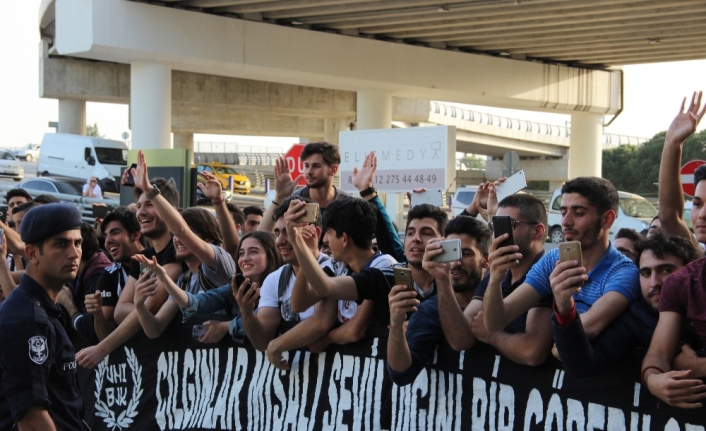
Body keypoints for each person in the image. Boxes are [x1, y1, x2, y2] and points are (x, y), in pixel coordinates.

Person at [484, 177, 640, 341]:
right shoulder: (553, 260)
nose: (566, 222)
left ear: (607, 219)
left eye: (578, 213)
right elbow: (496, 322)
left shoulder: (624, 272)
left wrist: (563, 304)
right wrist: (495, 278)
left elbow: (585, 330)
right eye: (563, 212)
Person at [76, 166, 184, 369]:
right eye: (139, 205)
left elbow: (149, 307)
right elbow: (120, 312)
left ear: (171, 211)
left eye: (150, 204)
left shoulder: (179, 253)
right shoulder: (143, 258)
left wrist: (102, 349)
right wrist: (140, 308)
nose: (141, 212)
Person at [553, 233, 701, 380]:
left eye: (666, 270)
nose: (654, 282)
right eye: (646, 273)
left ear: (691, 272)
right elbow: (583, 366)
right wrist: (564, 307)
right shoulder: (636, 317)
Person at [433, 194, 553, 367]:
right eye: (494, 226)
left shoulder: (546, 273)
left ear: (537, 231)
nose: (498, 234)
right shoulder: (497, 273)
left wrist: (492, 335)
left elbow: (532, 352)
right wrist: (442, 280)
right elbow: (461, 338)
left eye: (508, 225)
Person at [287, 201, 447, 329]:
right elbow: (323, 289)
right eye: (410, 233)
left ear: (444, 240)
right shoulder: (384, 275)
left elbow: (463, 337)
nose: (416, 239)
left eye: (426, 233)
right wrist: (299, 243)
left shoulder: (456, 280)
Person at [0, 204, 88, 430]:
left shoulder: (44, 308)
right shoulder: (27, 318)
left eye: (77, 243)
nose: (74, 253)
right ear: (31, 253)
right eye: (61, 244)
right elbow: (31, 419)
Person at [387, 216, 490, 385]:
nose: (455, 263)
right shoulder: (429, 310)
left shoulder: (505, 296)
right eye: (450, 253)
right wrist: (396, 325)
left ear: (485, 259)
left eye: (466, 253)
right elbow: (402, 374)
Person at [242, 196, 337, 370]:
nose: (279, 241)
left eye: (289, 232)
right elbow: (262, 341)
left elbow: (321, 323)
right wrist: (247, 313)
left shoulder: (334, 269)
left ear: (315, 233)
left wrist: (276, 346)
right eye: (278, 233)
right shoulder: (274, 279)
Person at [137, 231, 281, 344]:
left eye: (254, 251)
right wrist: (164, 278)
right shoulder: (234, 287)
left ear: (271, 255)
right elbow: (195, 303)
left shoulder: (282, 287)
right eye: (241, 253)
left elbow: (262, 324)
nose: (245, 258)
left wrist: (225, 326)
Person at [291, 198, 397, 352]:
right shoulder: (338, 264)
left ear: (345, 239)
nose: (326, 239)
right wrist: (307, 252)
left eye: (329, 233)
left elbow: (354, 331)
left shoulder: (384, 265)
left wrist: (327, 339)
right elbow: (299, 304)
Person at [259, 142, 352, 232]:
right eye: (306, 166)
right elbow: (262, 235)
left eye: (316, 166)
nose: (309, 171)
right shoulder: (294, 201)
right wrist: (280, 197)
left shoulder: (348, 204)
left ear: (333, 170)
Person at [84, 207, 146, 341]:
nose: (107, 241)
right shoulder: (109, 275)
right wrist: (98, 313)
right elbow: (105, 336)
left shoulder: (161, 264)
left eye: (115, 232)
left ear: (135, 235)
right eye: (105, 235)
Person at [657, 91, 706, 248]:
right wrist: (673, 142)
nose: (702, 215)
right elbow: (670, 216)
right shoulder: (698, 264)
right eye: (697, 204)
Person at [56, 222, 113, 345]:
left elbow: (89, 332)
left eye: (61, 244)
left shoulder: (99, 274)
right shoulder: (76, 271)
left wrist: (67, 303)